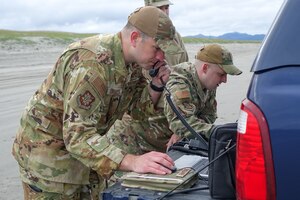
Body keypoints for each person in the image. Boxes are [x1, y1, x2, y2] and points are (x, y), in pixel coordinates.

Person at [12, 6, 183, 199]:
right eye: (157, 48)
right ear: (135, 38)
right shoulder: (91, 65)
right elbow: (77, 136)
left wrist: (156, 85)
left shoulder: (134, 64)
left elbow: (136, 111)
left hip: (85, 157)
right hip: (48, 163)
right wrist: (131, 161)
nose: (161, 57)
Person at [107, 44, 242, 157]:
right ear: (205, 68)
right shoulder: (179, 82)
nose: (224, 80)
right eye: (221, 74)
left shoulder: (208, 83)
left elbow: (208, 115)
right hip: (131, 144)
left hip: (159, 147)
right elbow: (182, 124)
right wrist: (222, 133)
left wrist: (184, 132)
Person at [107, 0, 189, 157]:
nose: (164, 13)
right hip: (135, 131)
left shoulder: (174, 39)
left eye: (166, 7)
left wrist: (181, 126)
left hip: (166, 128)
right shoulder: (134, 45)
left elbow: (184, 81)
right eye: (159, 8)